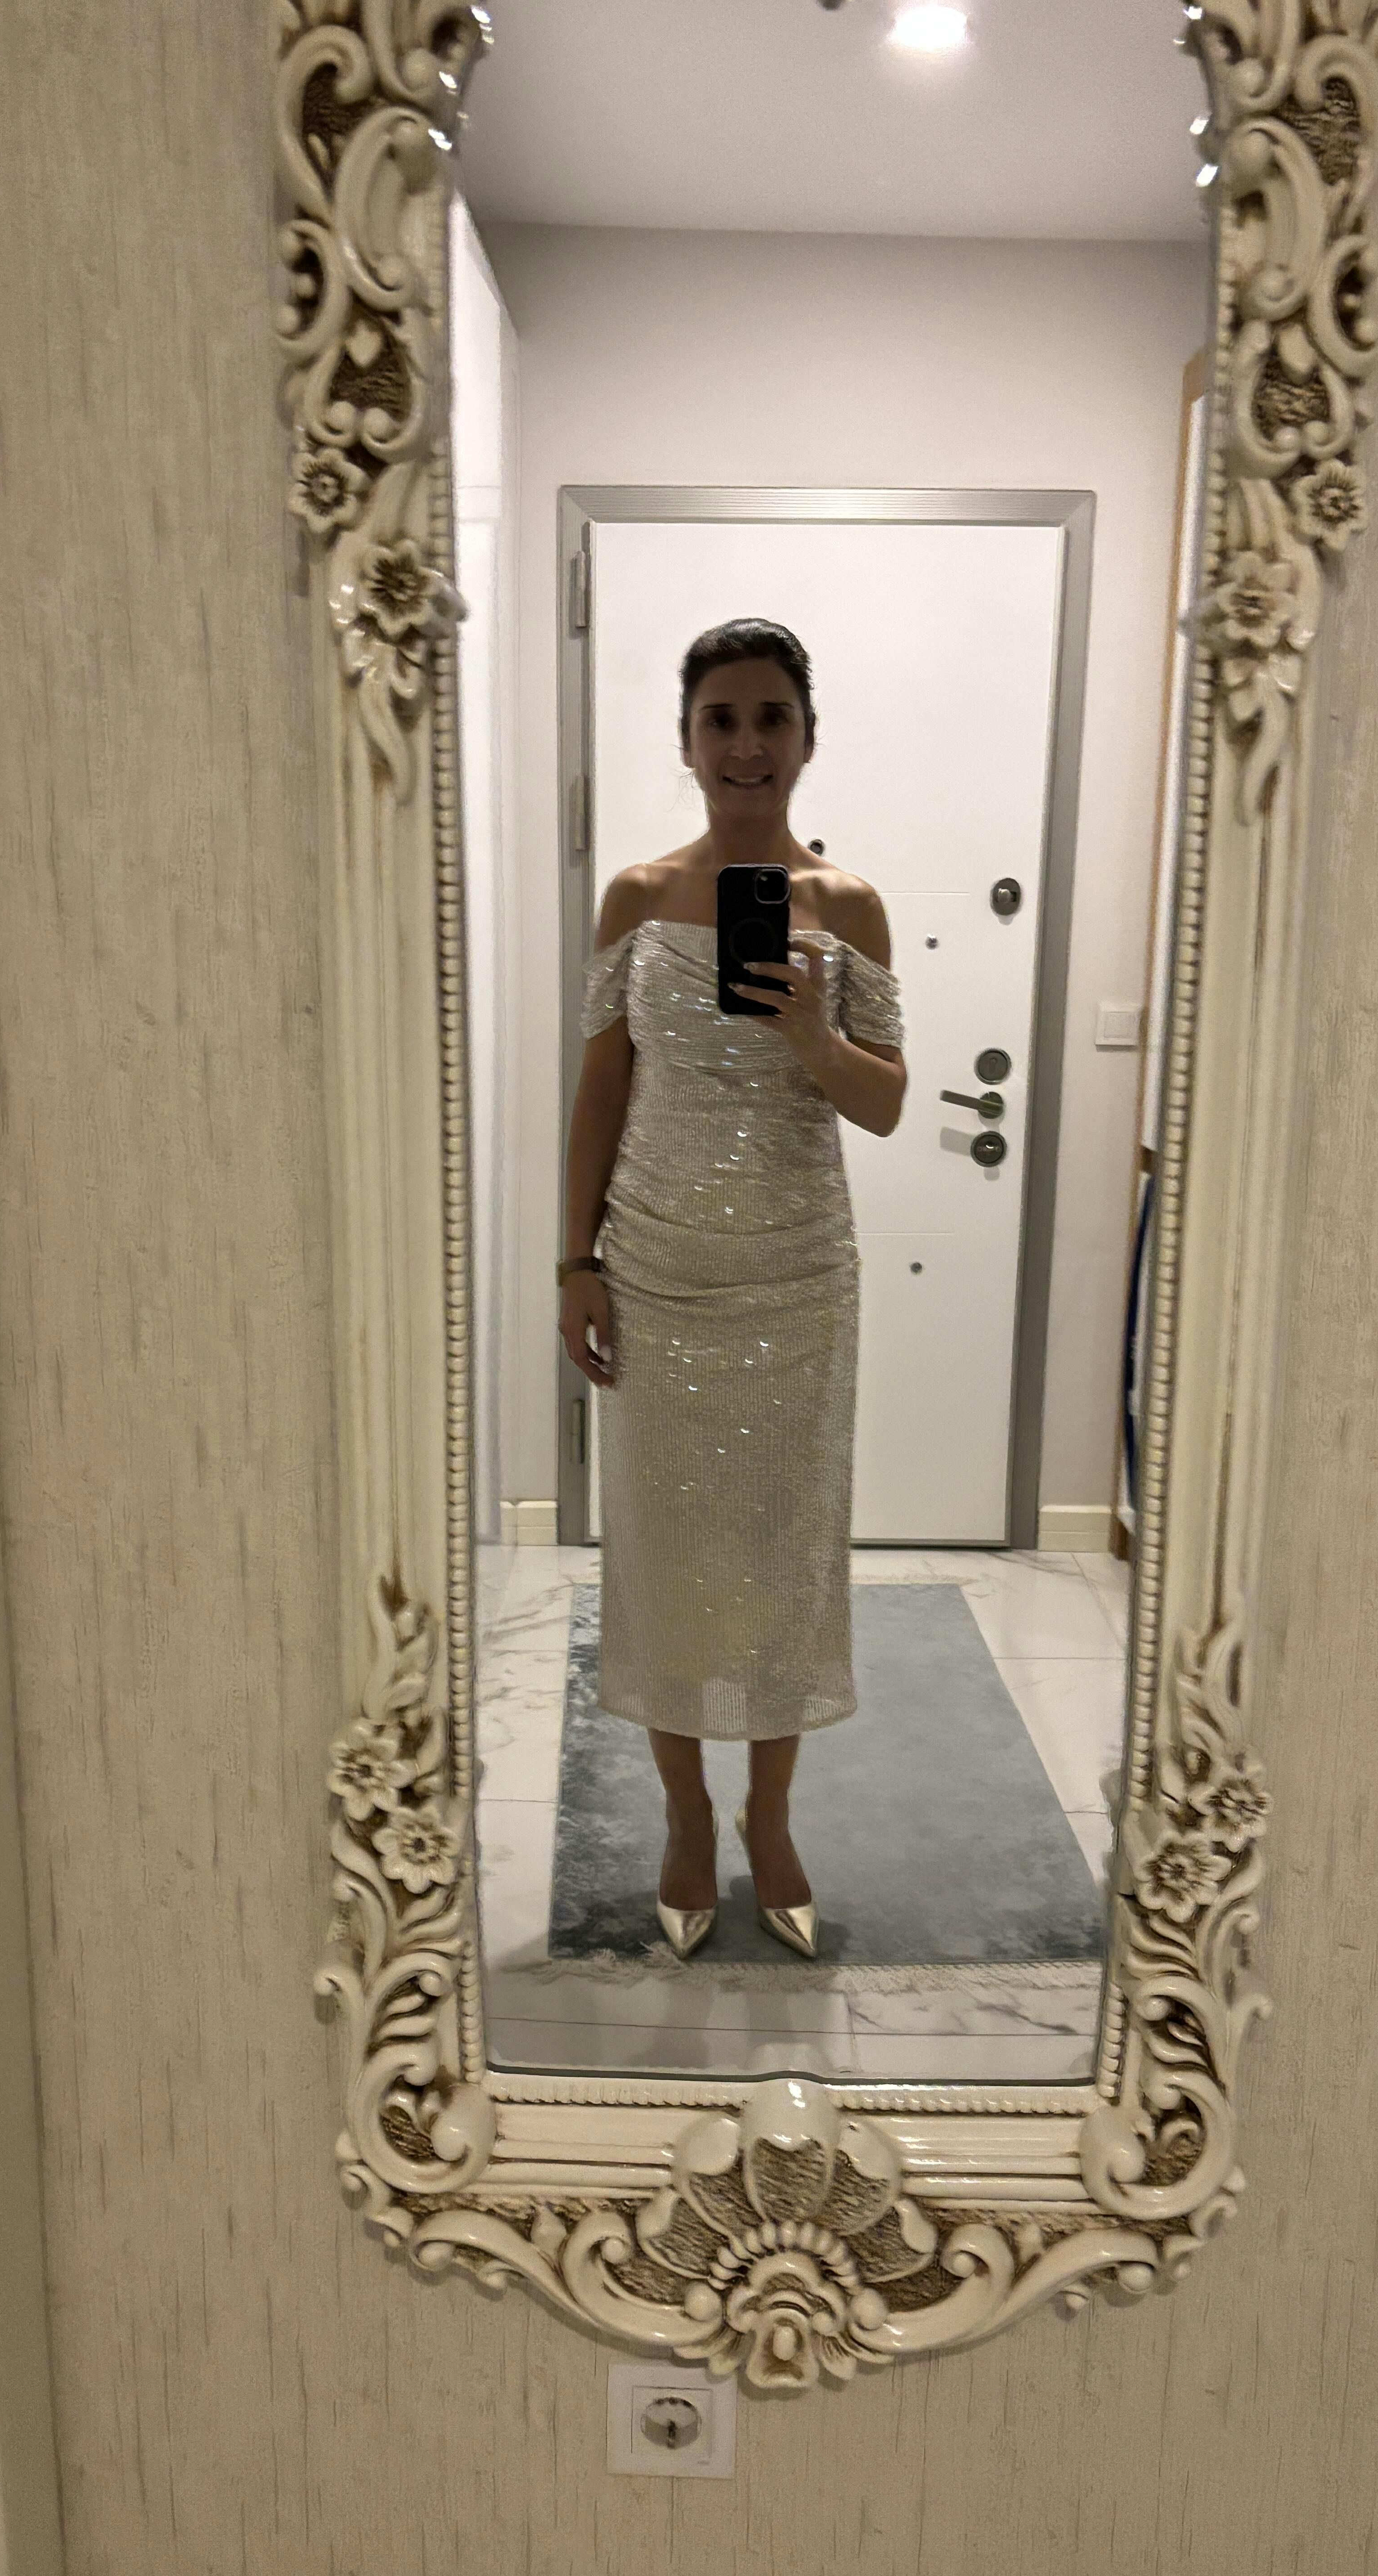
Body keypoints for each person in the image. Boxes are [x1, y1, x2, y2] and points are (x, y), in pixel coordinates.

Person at [558, 617, 907, 1960]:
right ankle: (685, 1816)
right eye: (723, 719)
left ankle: (769, 1816)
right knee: (662, 1552)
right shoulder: (636, 898)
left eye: (772, 719)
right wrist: (577, 1261)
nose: (747, 745)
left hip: (795, 1279)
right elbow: (602, 1087)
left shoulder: (848, 908)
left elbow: (883, 1105)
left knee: (780, 1557)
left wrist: (812, 1035)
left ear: (807, 740)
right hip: (655, 1272)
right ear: (688, 740)